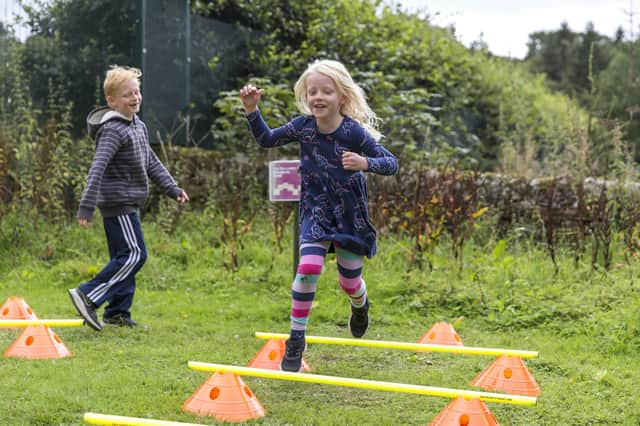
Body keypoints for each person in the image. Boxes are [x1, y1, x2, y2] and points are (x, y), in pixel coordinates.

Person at [240, 59, 399, 371]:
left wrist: (366, 163)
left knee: (349, 282)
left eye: (326, 91)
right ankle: (296, 340)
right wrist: (251, 111)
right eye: (312, 91)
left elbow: (391, 163)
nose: (318, 97)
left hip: (350, 215)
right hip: (315, 212)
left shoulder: (354, 132)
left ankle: (360, 304)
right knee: (308, 267)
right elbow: (266, 140)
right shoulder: (303, 127)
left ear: (341, 96)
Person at [68, 65, 189, 331]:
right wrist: (86, 207)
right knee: (135, 255)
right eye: (127, 95)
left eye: (136, 92)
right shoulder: (113, 130)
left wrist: (173, 188)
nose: (135, 98)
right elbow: (97, 167)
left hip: (129, 202)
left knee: (124, 256)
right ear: (111, 101)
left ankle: (117, 313)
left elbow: (151, 161)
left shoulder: (138, 126)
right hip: (117, 202)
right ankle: (88, 294)